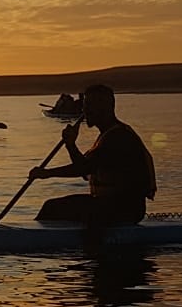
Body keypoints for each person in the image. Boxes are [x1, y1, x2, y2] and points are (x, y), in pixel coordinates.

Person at [29, 84, 157, 230]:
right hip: (108, 204)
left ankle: (92, 249)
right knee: (51, 206)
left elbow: (83, 168)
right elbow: (84, 168)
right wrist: (70, 145)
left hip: (126, 209)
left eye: (90, 105)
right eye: (84, 105)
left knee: (79, 212)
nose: (85, 111)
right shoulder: (106, 135)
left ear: (106, 107)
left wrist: (47, 173)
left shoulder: (119, 136)